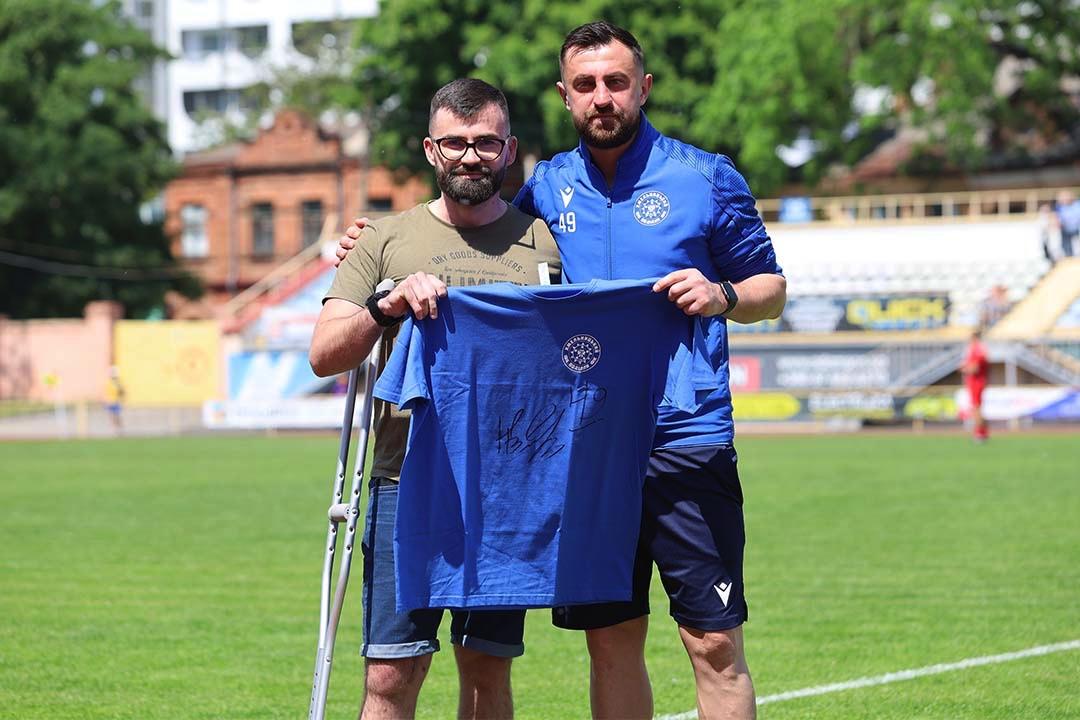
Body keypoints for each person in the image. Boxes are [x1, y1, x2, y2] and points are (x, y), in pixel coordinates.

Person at [339, 23, 786, 719]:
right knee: (610, 642)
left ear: (644, 87)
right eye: (585, 85)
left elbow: (771, 289)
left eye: (616, 81)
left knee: (714, 643)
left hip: (686, 438)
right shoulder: (546, 189)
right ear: (565, 95)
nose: (602, 97)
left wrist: (723, 294)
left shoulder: (705, 178)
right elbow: (477, 227)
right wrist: (371, 246)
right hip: (585, 448)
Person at [310, 78, 561, 720]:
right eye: (455, 143)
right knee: (392, 673)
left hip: (505, 488)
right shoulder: (383, 239)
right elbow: (325, 354)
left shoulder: (547, 241)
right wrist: (385, 305)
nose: (470, 156)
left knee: (487, 672)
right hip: (407, 481)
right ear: (431, 149)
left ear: (509, 150)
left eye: (486, 143)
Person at [960, 328, 990, 442]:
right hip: (977, 382)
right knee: (977, 408)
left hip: (976, 382)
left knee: (976, 408)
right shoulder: (980, 349)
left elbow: (974, 369)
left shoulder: (976, 350)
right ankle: (982, 432)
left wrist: (964, 369)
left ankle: (980, 433)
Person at [1052, 190, 1080, 258]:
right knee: (1063, 241)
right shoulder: (1059, 207)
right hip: (1066, 230)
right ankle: (1068, 256)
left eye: (1065, 197)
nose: (1063, 200)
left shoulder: (1077, 204)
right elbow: (1057, 218)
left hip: (1077, 229)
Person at [103, 366, 124, 433]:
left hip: (115, 402)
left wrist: (120, 396)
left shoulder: (118, 383)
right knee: (112, 417)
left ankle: (119, 429)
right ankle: (115, 430)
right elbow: (107, 393)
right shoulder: (109, 383)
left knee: (117, 416)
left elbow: (121, 392)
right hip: (110, 402)